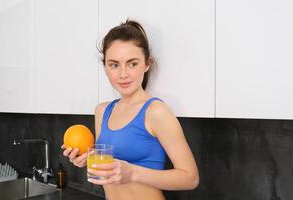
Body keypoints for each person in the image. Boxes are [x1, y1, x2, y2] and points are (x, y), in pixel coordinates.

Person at [61, 19, 199, 200]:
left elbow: (190, 178)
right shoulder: (102, 111)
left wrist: (133, 173)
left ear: (147, 64)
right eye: (114, 64)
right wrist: (87, 160)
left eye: (132, 63)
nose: (123, 74)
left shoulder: (156, 111)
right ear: (105, 67)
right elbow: (105, 176)